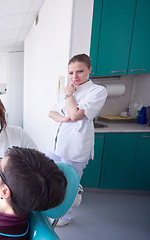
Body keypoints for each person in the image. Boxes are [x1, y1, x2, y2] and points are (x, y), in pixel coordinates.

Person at [47, 53, 108, 226]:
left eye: (79, 71)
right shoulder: (67, 90)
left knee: (69, 184)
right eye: (71, 73)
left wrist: (68, 97)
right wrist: (65, 119)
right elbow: (51, 113)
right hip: (56, 143)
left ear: (89, 69)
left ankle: (66, 216)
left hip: (75, 146)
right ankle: (52, 207)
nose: (74, 77)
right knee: (52, 178)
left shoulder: (97, 91)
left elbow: (75, 114)